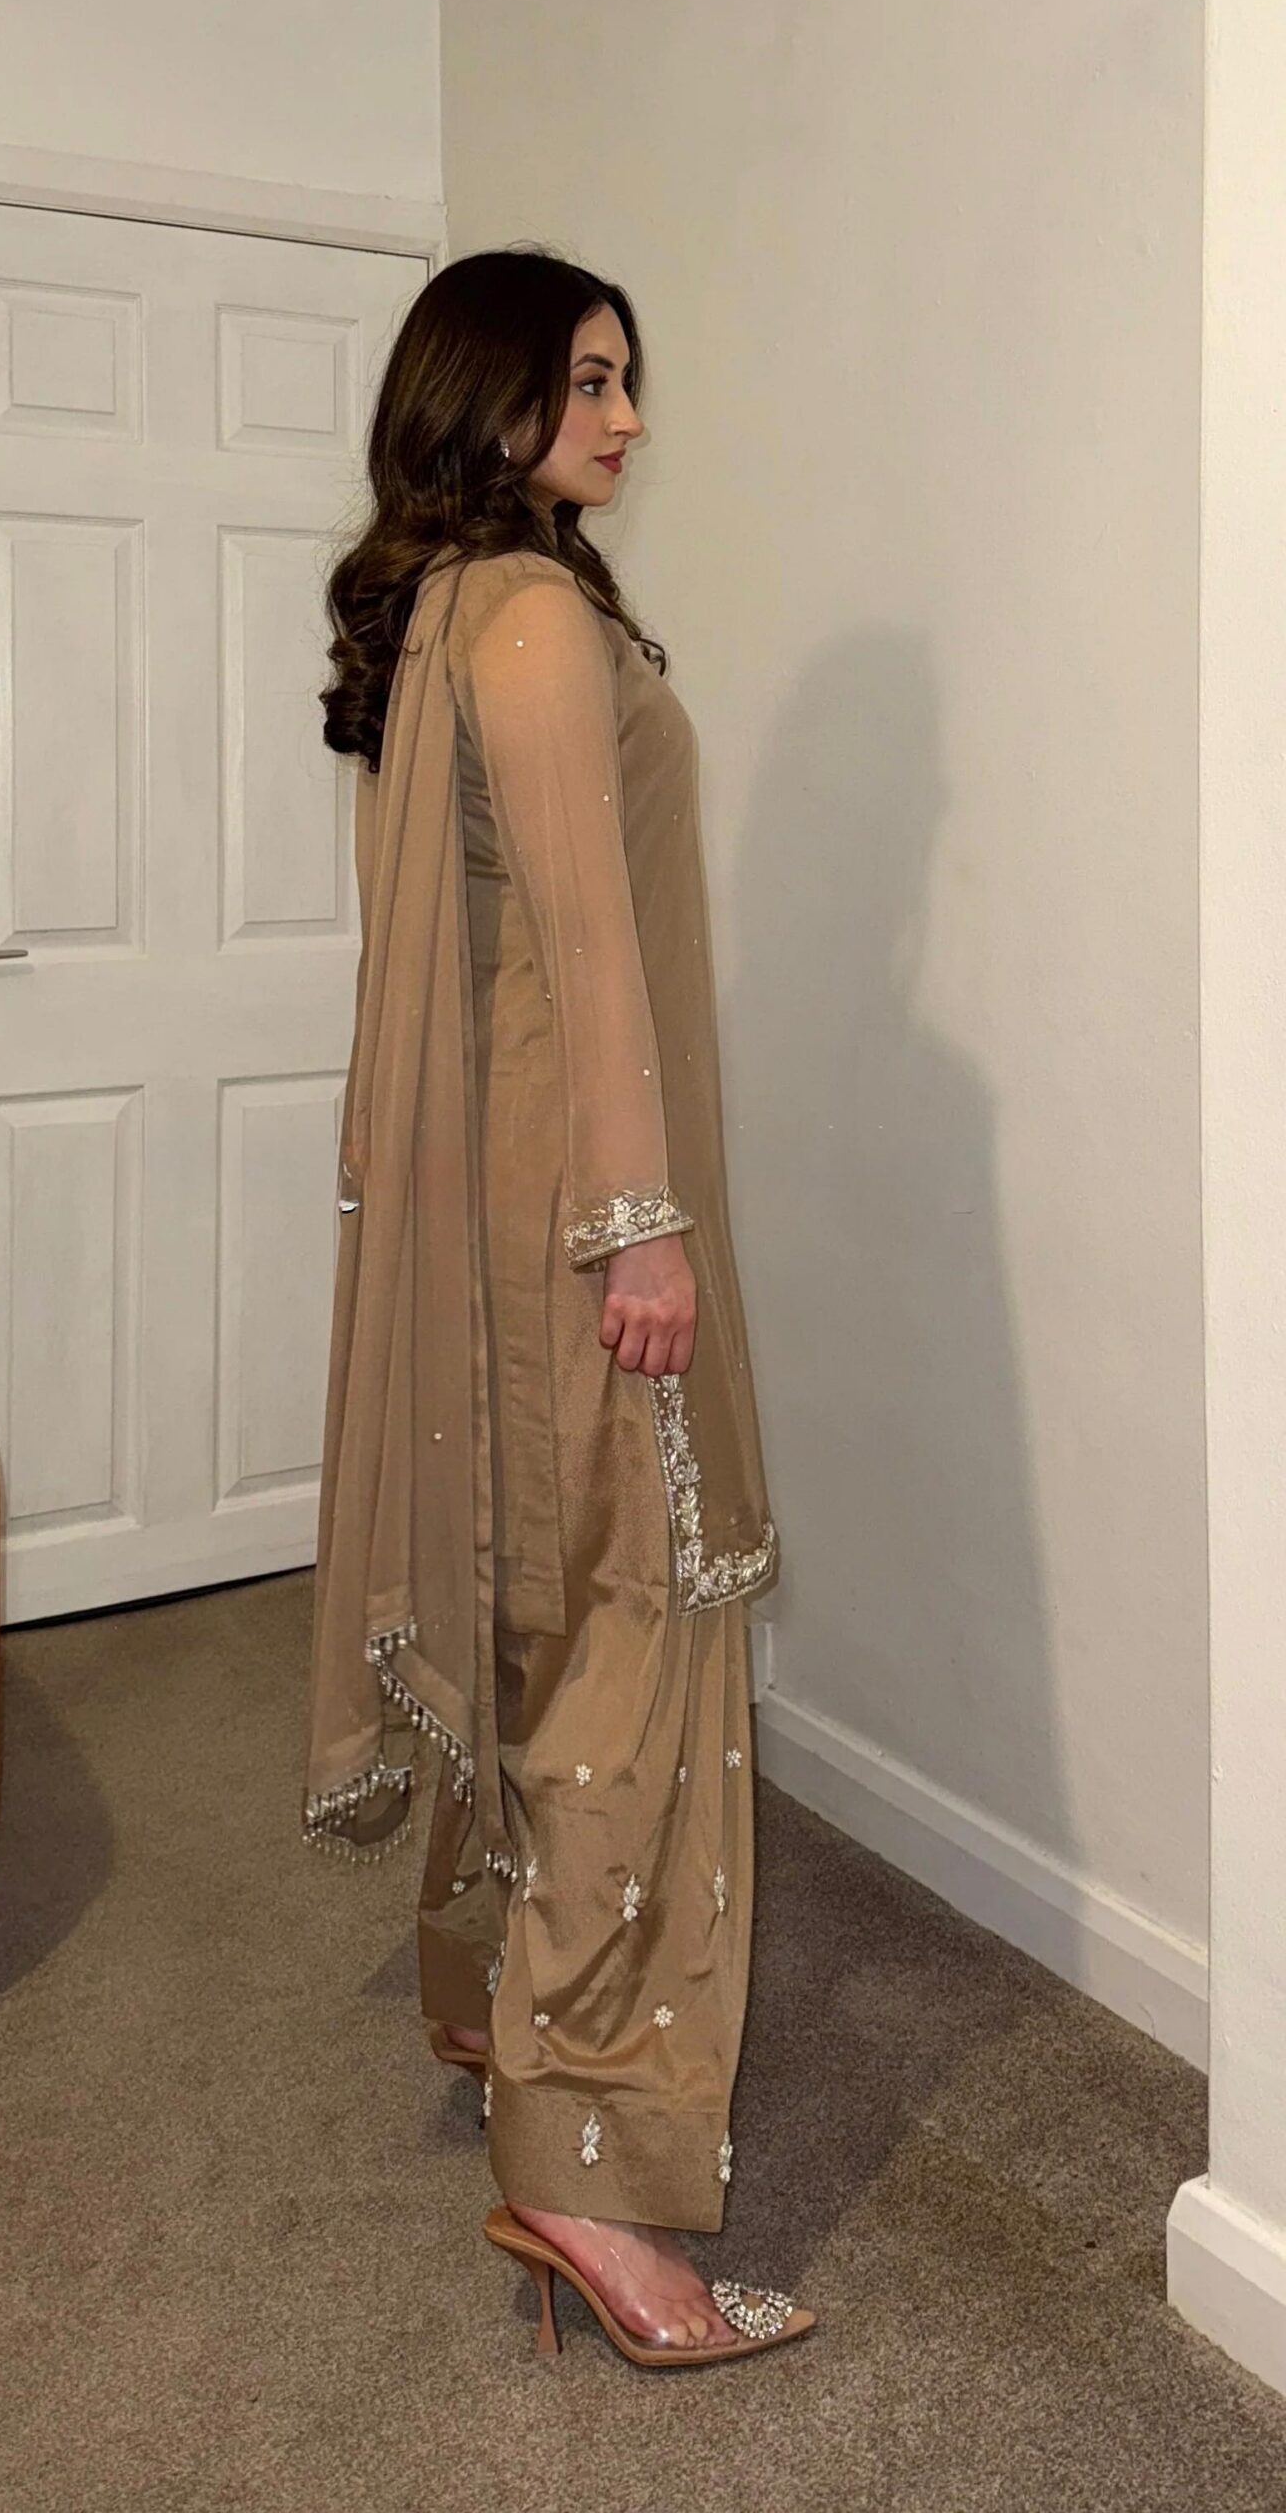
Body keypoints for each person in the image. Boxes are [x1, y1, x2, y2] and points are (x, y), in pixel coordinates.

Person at [301, 246, 814, 2366]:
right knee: (630, 1626)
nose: (625, 417)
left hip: (492, 1192)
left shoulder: (439, 607)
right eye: (589, 382)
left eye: (627, 381)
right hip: (576, 1205)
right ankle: (590, 2168)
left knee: (535, 1592)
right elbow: (593, 949)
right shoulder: (527, 613)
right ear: (491, 394)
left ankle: (486, 1992)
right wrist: (645, 1225)